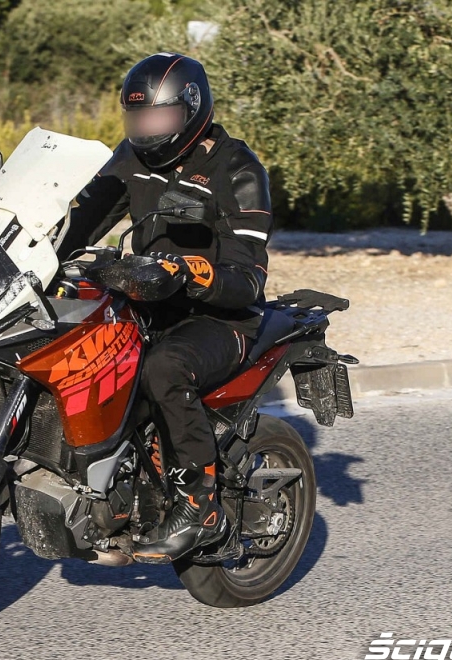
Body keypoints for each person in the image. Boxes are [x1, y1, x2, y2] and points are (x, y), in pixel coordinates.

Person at [56, 53, 274, 562]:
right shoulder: (131, 157)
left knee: (163, 368)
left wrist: (194, 272)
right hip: (144, 303)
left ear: (192, 110)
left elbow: (248, 278)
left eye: (160, 118)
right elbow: (80, 224)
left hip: (220, 319)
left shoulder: (237, 169)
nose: (148, 131)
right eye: (140, 120)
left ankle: (201, 506)